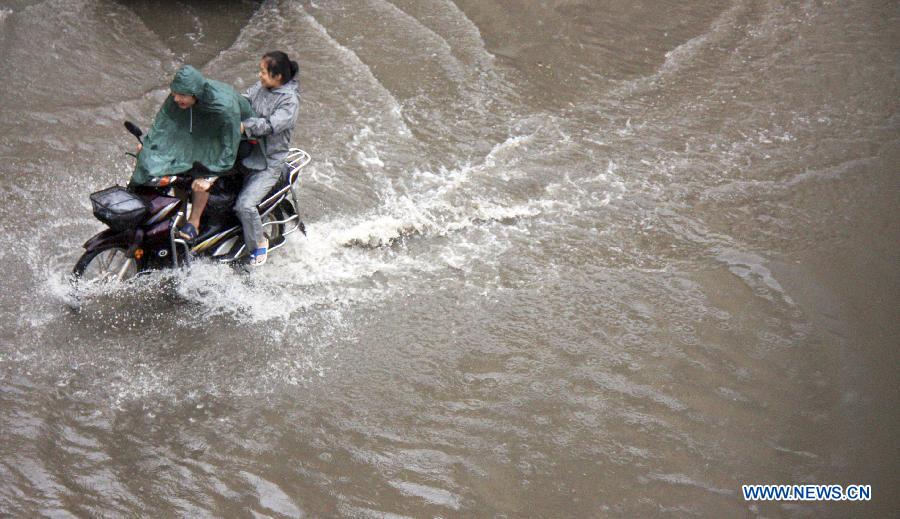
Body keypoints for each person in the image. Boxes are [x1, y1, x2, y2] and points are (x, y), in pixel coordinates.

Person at [129, 65, 253, 240]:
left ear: (195, 93)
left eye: (182, 96)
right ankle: (179, 218)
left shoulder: (223, 107)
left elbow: (229, 144)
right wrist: (148, 146)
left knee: (200, 168)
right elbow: (163, 124)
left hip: (236, 134)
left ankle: (194, 222)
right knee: (177, 166)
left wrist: (210, 177)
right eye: (174, 94)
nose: (176, 99)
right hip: (204, 124)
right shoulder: (178, 96)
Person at [234, 51, 300, 266]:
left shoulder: (289, 101)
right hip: (247, 153)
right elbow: (244, 100)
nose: (260, 76)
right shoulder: (262, 87)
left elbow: (271, 125)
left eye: (263, 72)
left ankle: (258, 243)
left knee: (244, 205)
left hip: (269, 163)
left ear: (278, 76)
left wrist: (246, 126)